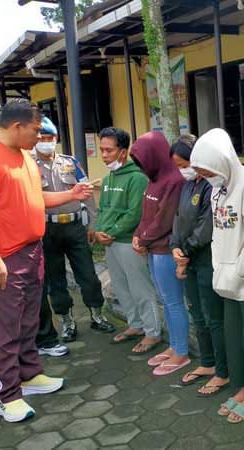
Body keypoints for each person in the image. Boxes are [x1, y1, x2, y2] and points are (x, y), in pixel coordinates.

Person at [0, 100, 94, 422]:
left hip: (31, 250)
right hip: (0, 257)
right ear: (16, 126)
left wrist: (71, 195)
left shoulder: (24, 156)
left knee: (28, 320)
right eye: (36, 131)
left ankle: (28, 375)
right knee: (3, 327)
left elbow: (35, 199)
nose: (39, 138)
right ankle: (4, 394)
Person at [191, 128, 244, 424]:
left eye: (207, 170)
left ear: (222, 161)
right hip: (223, 280)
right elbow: (217, 234)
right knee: (233, 339)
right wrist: (218, 270)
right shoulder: (217, 188)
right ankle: (241, 387)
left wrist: (237, 271)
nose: (205, 176)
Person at [32, 116, 115, 342]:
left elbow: (86, 191)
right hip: (47, 229)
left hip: (75, 226)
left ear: (56, 138)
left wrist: (93, 223)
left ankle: (97, 315)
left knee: (87, 273)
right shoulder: (28, 164)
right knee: (55, 277)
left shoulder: (70, 162)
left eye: (50, 138)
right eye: (42, 138)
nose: (46, 142)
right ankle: (67, 321)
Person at [168, 134, 229, 394]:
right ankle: (207, 362)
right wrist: (175, 247)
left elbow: (207, 227)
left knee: (214, 317)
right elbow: (179, 218)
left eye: (185, 164)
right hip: (188, 259)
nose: (183, 170)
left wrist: (187, 251)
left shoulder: (211, 186)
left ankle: (223, 371)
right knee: (196, 313)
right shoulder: (188, 186)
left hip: (206, 260)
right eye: (178, 166)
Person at [95, 127, 162, 355]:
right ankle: (135, 326)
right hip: (110, 243)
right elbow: (103, 209)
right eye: (102, 150)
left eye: (109, 151)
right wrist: (98, 231)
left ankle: (152, 332)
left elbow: (135, 213)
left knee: (140, 288)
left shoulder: (137, 178)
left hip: (128, 242)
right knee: (122, 287)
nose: (104, 155)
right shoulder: (107, 179)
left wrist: (110, 232)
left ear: (123, 152)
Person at [130, 131, 190, 376]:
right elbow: (146, 215)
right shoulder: (153, 178)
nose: (141, 166)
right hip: (152, 248)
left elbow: (164, 219)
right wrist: (138, 235)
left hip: (165, 249)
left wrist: (143, 238)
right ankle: (174, 346)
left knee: (174, 302)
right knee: (165, 300)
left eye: (144, 160)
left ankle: (182, 352)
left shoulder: (174, 180)